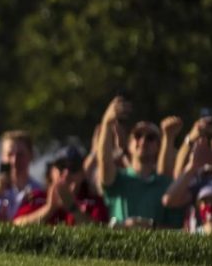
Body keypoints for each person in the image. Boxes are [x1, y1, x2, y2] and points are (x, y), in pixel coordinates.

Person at [94, 97, 184, 229]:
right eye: (137, 135)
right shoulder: (118, 179)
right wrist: (107, 123)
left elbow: (176, 230)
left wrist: (150, 226)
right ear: (129, 145)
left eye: (150, 138)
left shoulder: (165, 184)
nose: (143, 141)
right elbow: (104, 162)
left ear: (158, 147)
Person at [12, 146, 108, 226]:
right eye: (61, 166)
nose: (66, 173)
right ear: (51, 172)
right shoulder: (36, 197)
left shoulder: (94, 202)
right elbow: (16, 225)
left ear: (82, 174)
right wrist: (49, 209)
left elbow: (102, 232)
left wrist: (73, 209)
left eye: (73, 167)